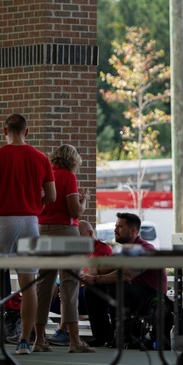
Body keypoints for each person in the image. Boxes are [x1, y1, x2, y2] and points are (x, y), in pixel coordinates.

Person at [0, 113, 56, 355]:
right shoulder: (41, 158)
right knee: (28, 282)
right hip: (31, 222)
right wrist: (32, 198)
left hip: (3, 220)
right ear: (27, 132)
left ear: (4, 131)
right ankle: (24, 340)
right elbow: (50, 197)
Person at [32, 145, 93, 353]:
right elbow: (74, 211)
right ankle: (74, 341)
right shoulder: (68, 177)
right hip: (66, 231)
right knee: (69, 285)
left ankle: (39, 339)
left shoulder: (44, 175)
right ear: (73, 160)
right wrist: (83, 202)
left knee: (44, 285)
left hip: (42, 231)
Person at [81, 212, 165, 347]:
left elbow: (127, 274)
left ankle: (121, 335)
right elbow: (102, 266)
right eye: (115, 226)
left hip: (151, 298)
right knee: (91, 290)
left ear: (132, 231)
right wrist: (91, 275)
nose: (115, 230)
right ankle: (102, 336)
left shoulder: (146, 249)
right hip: (131, 293)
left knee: (115, 285)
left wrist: (96, 279)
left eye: (120, 227)